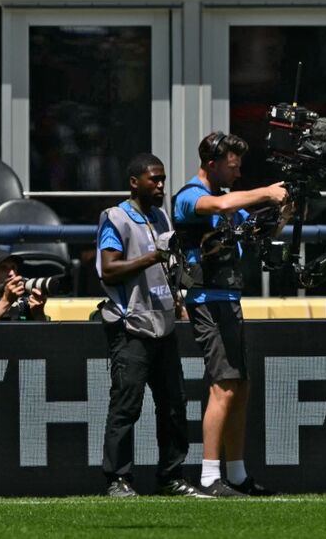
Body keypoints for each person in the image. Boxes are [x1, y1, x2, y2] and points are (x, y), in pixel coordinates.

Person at [173, 131, 288, 497]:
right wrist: (267, 192)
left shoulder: (228, 199)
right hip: (207, 300)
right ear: (212, 164)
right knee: (223, 385)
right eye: (232, 166)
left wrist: (284, 209)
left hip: (228, 299)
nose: (237, 174)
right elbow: (220, 207)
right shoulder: (189, 197)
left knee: (239, 385)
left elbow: (259, 230)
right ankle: (210, 475)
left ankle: (236, 474)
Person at [97, 153, 204, 498]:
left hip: (164, 321)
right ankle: (118, 479)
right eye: (153, 180)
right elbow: (109, 269)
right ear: (134, 182)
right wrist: (151, 257)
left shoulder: (161, 217)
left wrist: (179, 296)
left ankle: (171, 476)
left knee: (174, 404)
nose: (160, 186)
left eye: (162, 180)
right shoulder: (115, 219)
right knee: (126, 405)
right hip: (131, 325)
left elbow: (169, 266)